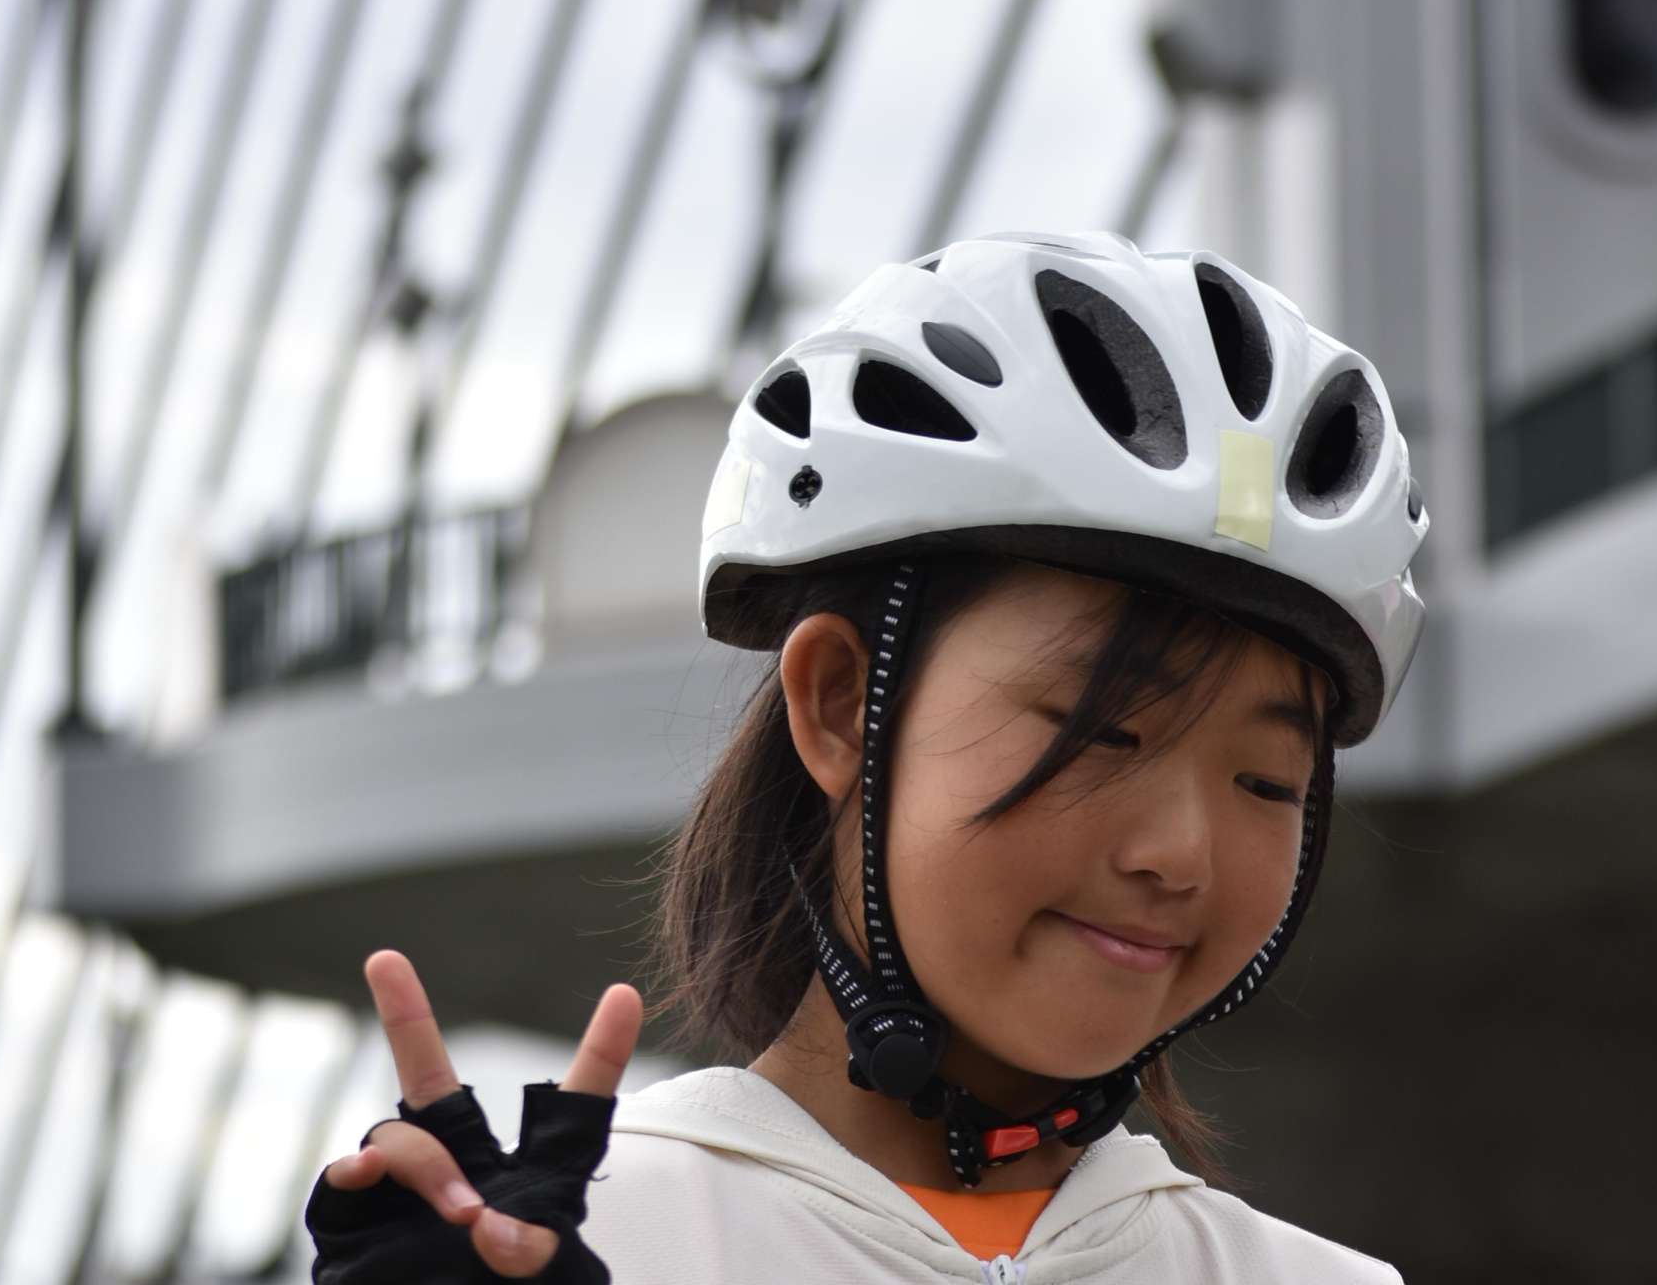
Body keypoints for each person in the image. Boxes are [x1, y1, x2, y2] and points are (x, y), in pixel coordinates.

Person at [307, 231, 1430, 1281]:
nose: (1181, 853)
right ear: (842, 703)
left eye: (1266, 781)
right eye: (1103, 732)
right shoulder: (588, 1242)